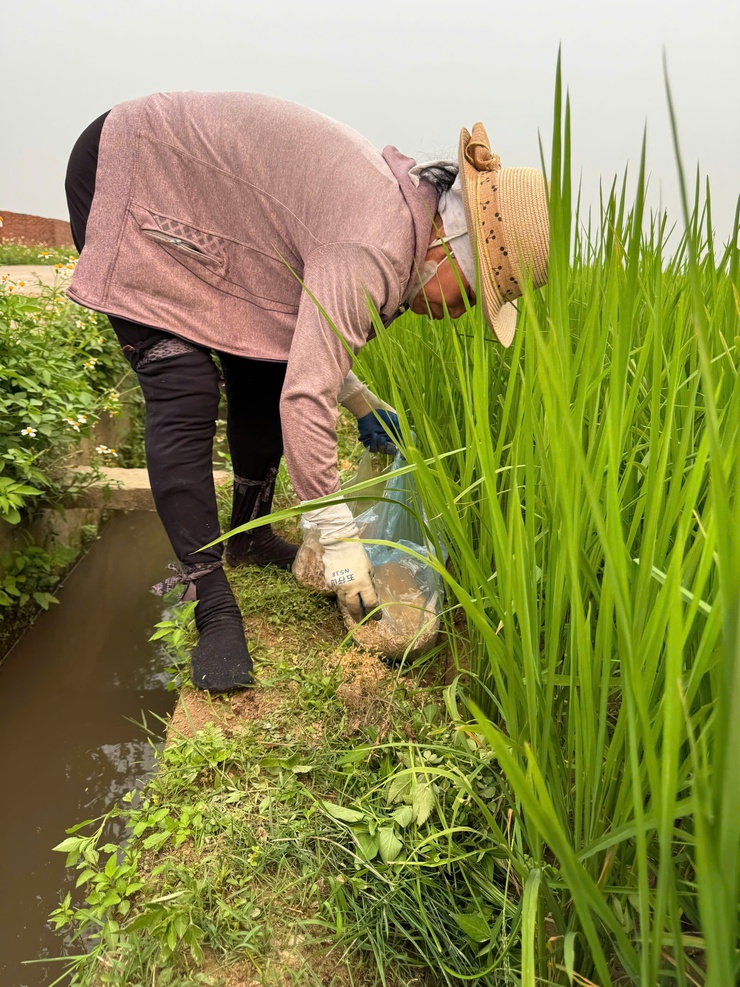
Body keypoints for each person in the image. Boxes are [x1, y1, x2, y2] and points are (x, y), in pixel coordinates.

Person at [64, 92, 549, 692]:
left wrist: (361, 402)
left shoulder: (402, 220)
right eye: (472, 296)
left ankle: (249, 534)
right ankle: (210, 599)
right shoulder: (378, 242)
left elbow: (304, 333)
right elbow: (304, 398)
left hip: (210, 203)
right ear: (449, 249)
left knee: (262, 363)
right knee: (183, 383)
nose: (459, 314)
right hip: (137, 167)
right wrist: (340, 540)